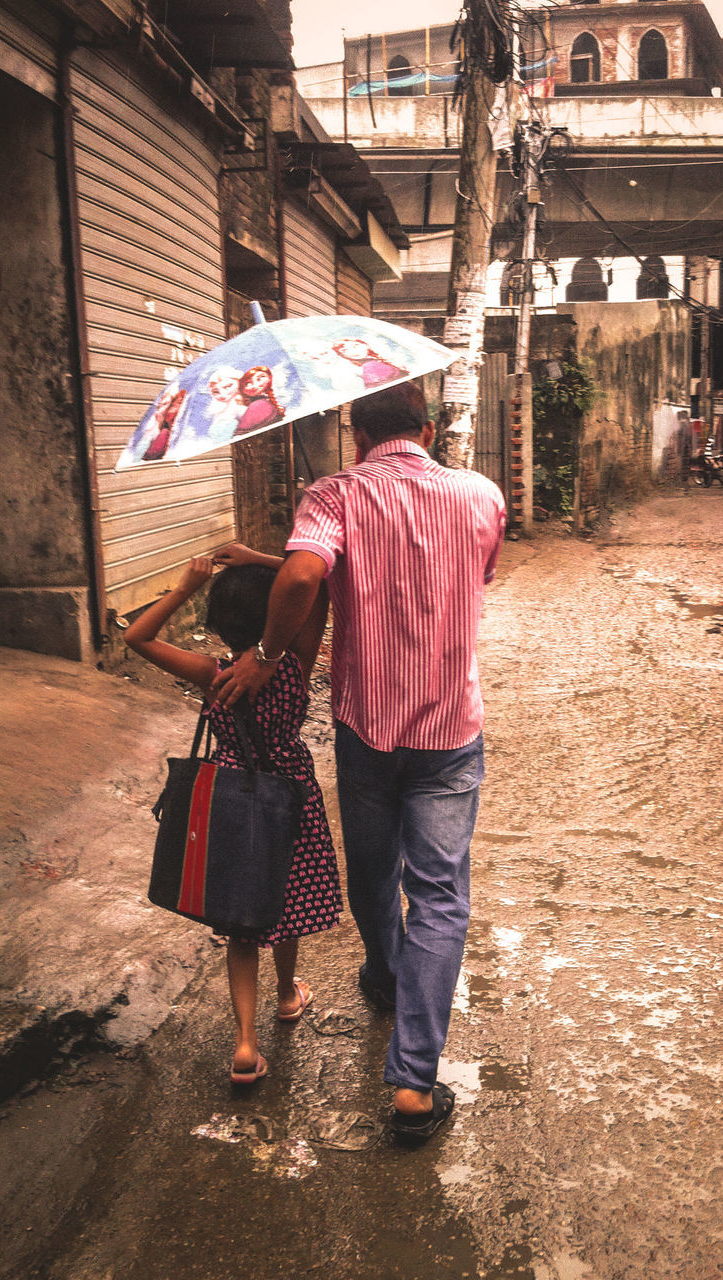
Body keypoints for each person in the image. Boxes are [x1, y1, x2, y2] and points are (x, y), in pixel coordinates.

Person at [214, 382, 506, 1144]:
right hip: (449, 727)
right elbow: (474, 578)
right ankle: (413, 1085)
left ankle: (383, 970)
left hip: (368, 727)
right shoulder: (480, 493)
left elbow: (308, 574)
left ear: (355, 435)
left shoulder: (332, 494)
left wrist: (270, 655)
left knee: (375, 871)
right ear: (429, 429)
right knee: (440, 896)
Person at [123, 547, 340, 1086]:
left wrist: (186, 586)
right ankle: (288, 995)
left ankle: (245, 1044)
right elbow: (321, 585)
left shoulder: (212, 673)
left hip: (231, 800)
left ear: (219, 625)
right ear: (272, 617)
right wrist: (260, 558)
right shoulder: (291, 665)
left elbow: (136, 639)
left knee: (243, 923)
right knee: (286, 902)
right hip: (289, 795)